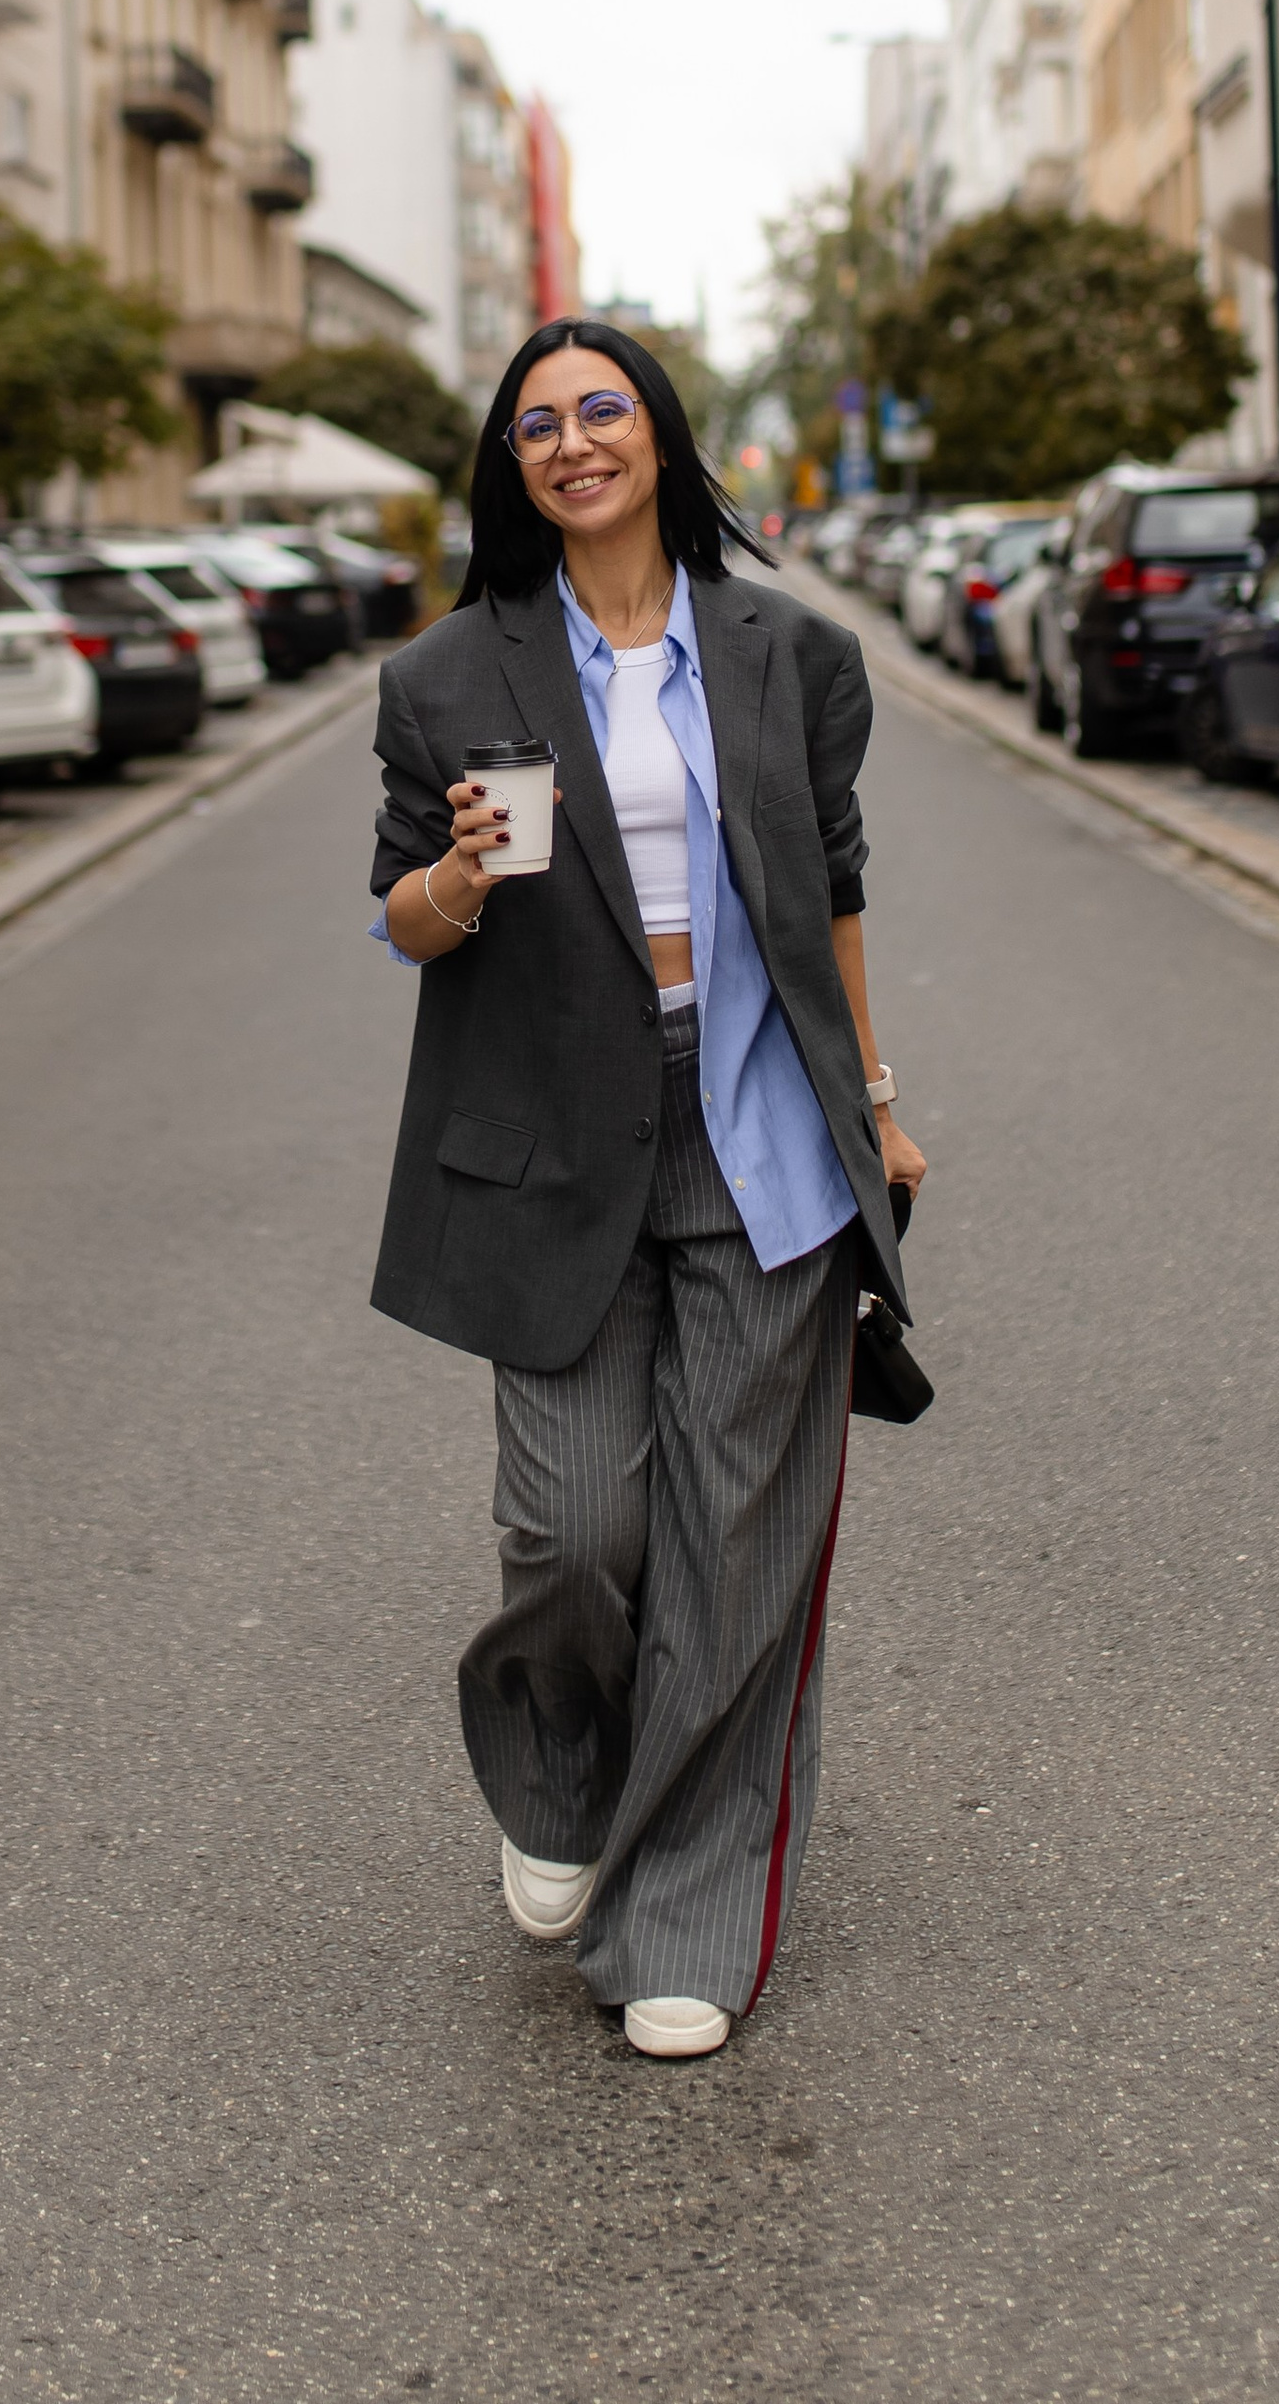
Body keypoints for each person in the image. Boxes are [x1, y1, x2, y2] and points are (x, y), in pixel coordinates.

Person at [368, 318, 927, 2060]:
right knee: (574, 1526)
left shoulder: (791, 652)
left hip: (759, 1132)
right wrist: (461, 871)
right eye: (537, 422)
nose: (574, 439)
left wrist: (877, 1101)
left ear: (662, 437)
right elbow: (401, 917)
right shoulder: (446, 674)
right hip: (550, 1148)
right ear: (514, 466)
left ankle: (682, 1910)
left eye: (603, 407)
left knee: (730, 1546)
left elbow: (833, 889)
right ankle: (557, 1765)